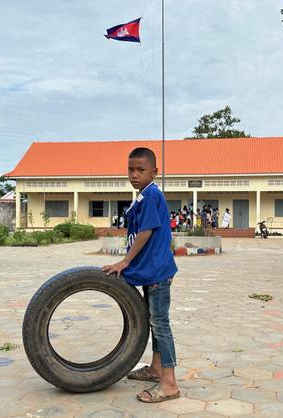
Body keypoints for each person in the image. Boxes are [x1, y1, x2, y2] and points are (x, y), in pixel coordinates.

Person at [102, 147, 180, 403]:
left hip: (157, 272)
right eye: (130, 169)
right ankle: (156, 369)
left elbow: (146, 232)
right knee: (153, 321)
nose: (134, 174)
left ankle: (169, 384)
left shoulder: (151, 195)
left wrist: (125, 261)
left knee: (160, 324)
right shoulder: (143, 197)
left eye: (140, 170)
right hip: (150, 272)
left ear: (154, 173)